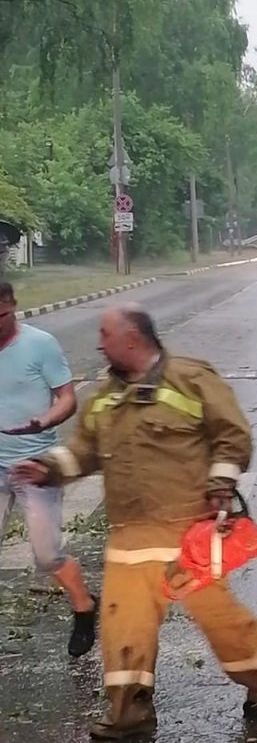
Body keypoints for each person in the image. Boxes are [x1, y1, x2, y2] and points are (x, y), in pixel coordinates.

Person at [12, 303, 257, 740]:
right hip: (130, 537)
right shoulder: (104, 398)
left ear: (132, 338)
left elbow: (231, 435)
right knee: (123, 630)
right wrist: (48, 467)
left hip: (189, 536)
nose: (99, 343)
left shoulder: (190, 378)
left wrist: (221, 485)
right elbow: (82, 452)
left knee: (227, 631)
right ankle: (128, 717)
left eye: (105, 335)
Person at [0, 281, 98, 657]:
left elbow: (67, 398)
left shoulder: (39, 344)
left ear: (12, 306)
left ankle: (85, 607)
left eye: (1, 316)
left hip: (35, 465)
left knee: (46, 555)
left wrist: (42, 422)